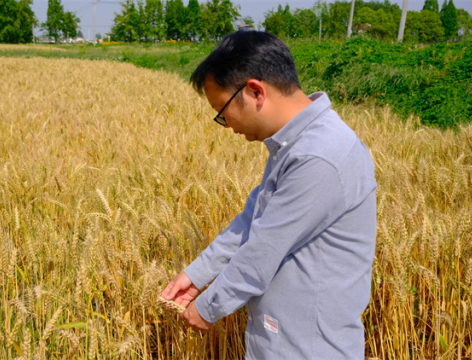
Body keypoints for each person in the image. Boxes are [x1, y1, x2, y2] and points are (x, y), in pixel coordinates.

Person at [161, 31, 377, 359]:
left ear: (255, 91)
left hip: (308, 350)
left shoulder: (318, 156)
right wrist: (197, 275)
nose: (225, 123)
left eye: (222, 110)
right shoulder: (293, 144)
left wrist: (207, 307)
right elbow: (252, 221)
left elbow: (263, 250)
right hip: (280, 344)